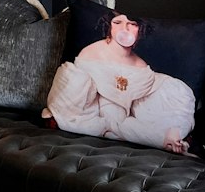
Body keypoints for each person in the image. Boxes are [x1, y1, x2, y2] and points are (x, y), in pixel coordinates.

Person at [43, 10, 193, 152]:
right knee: (76, 80)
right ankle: (161, 138)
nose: (125, 28)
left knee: (176, 89)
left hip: (127, 111)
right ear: (109, 27)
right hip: (94, 106)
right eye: (118, 22)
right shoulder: (91, 53)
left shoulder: (140, 65)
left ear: (139, 30)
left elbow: (133, 94)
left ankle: (170, 136)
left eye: (132, 24)